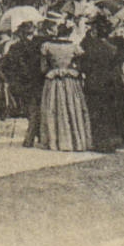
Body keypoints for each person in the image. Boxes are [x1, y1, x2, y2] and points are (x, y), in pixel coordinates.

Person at [79, 17, 124, 151]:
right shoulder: (119, 41)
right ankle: (121, 139)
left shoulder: (89, 43)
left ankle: (103, 142)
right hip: (114, 79)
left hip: (96, 81)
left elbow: (83, 64)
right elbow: (122, 58)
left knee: (99, 111)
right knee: (117, 110)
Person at [39, 21, 92, 152]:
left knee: (53, 109)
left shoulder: (47, 46)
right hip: (70, 80)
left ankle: (55, 140)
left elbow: (43, 68)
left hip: (54, 80)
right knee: (72, 108)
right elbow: (79, 67)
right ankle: (74, 140)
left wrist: (55, 69)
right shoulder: (74, 47)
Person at [1, 22, 47, 147]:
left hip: (26, 83)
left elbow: (5, 66)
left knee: (32, 110)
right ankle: (31, 138)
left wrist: (13, 80)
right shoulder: (39, 45)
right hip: (34, 82)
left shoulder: (16, 47)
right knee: (34, 110)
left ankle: (34, 137)